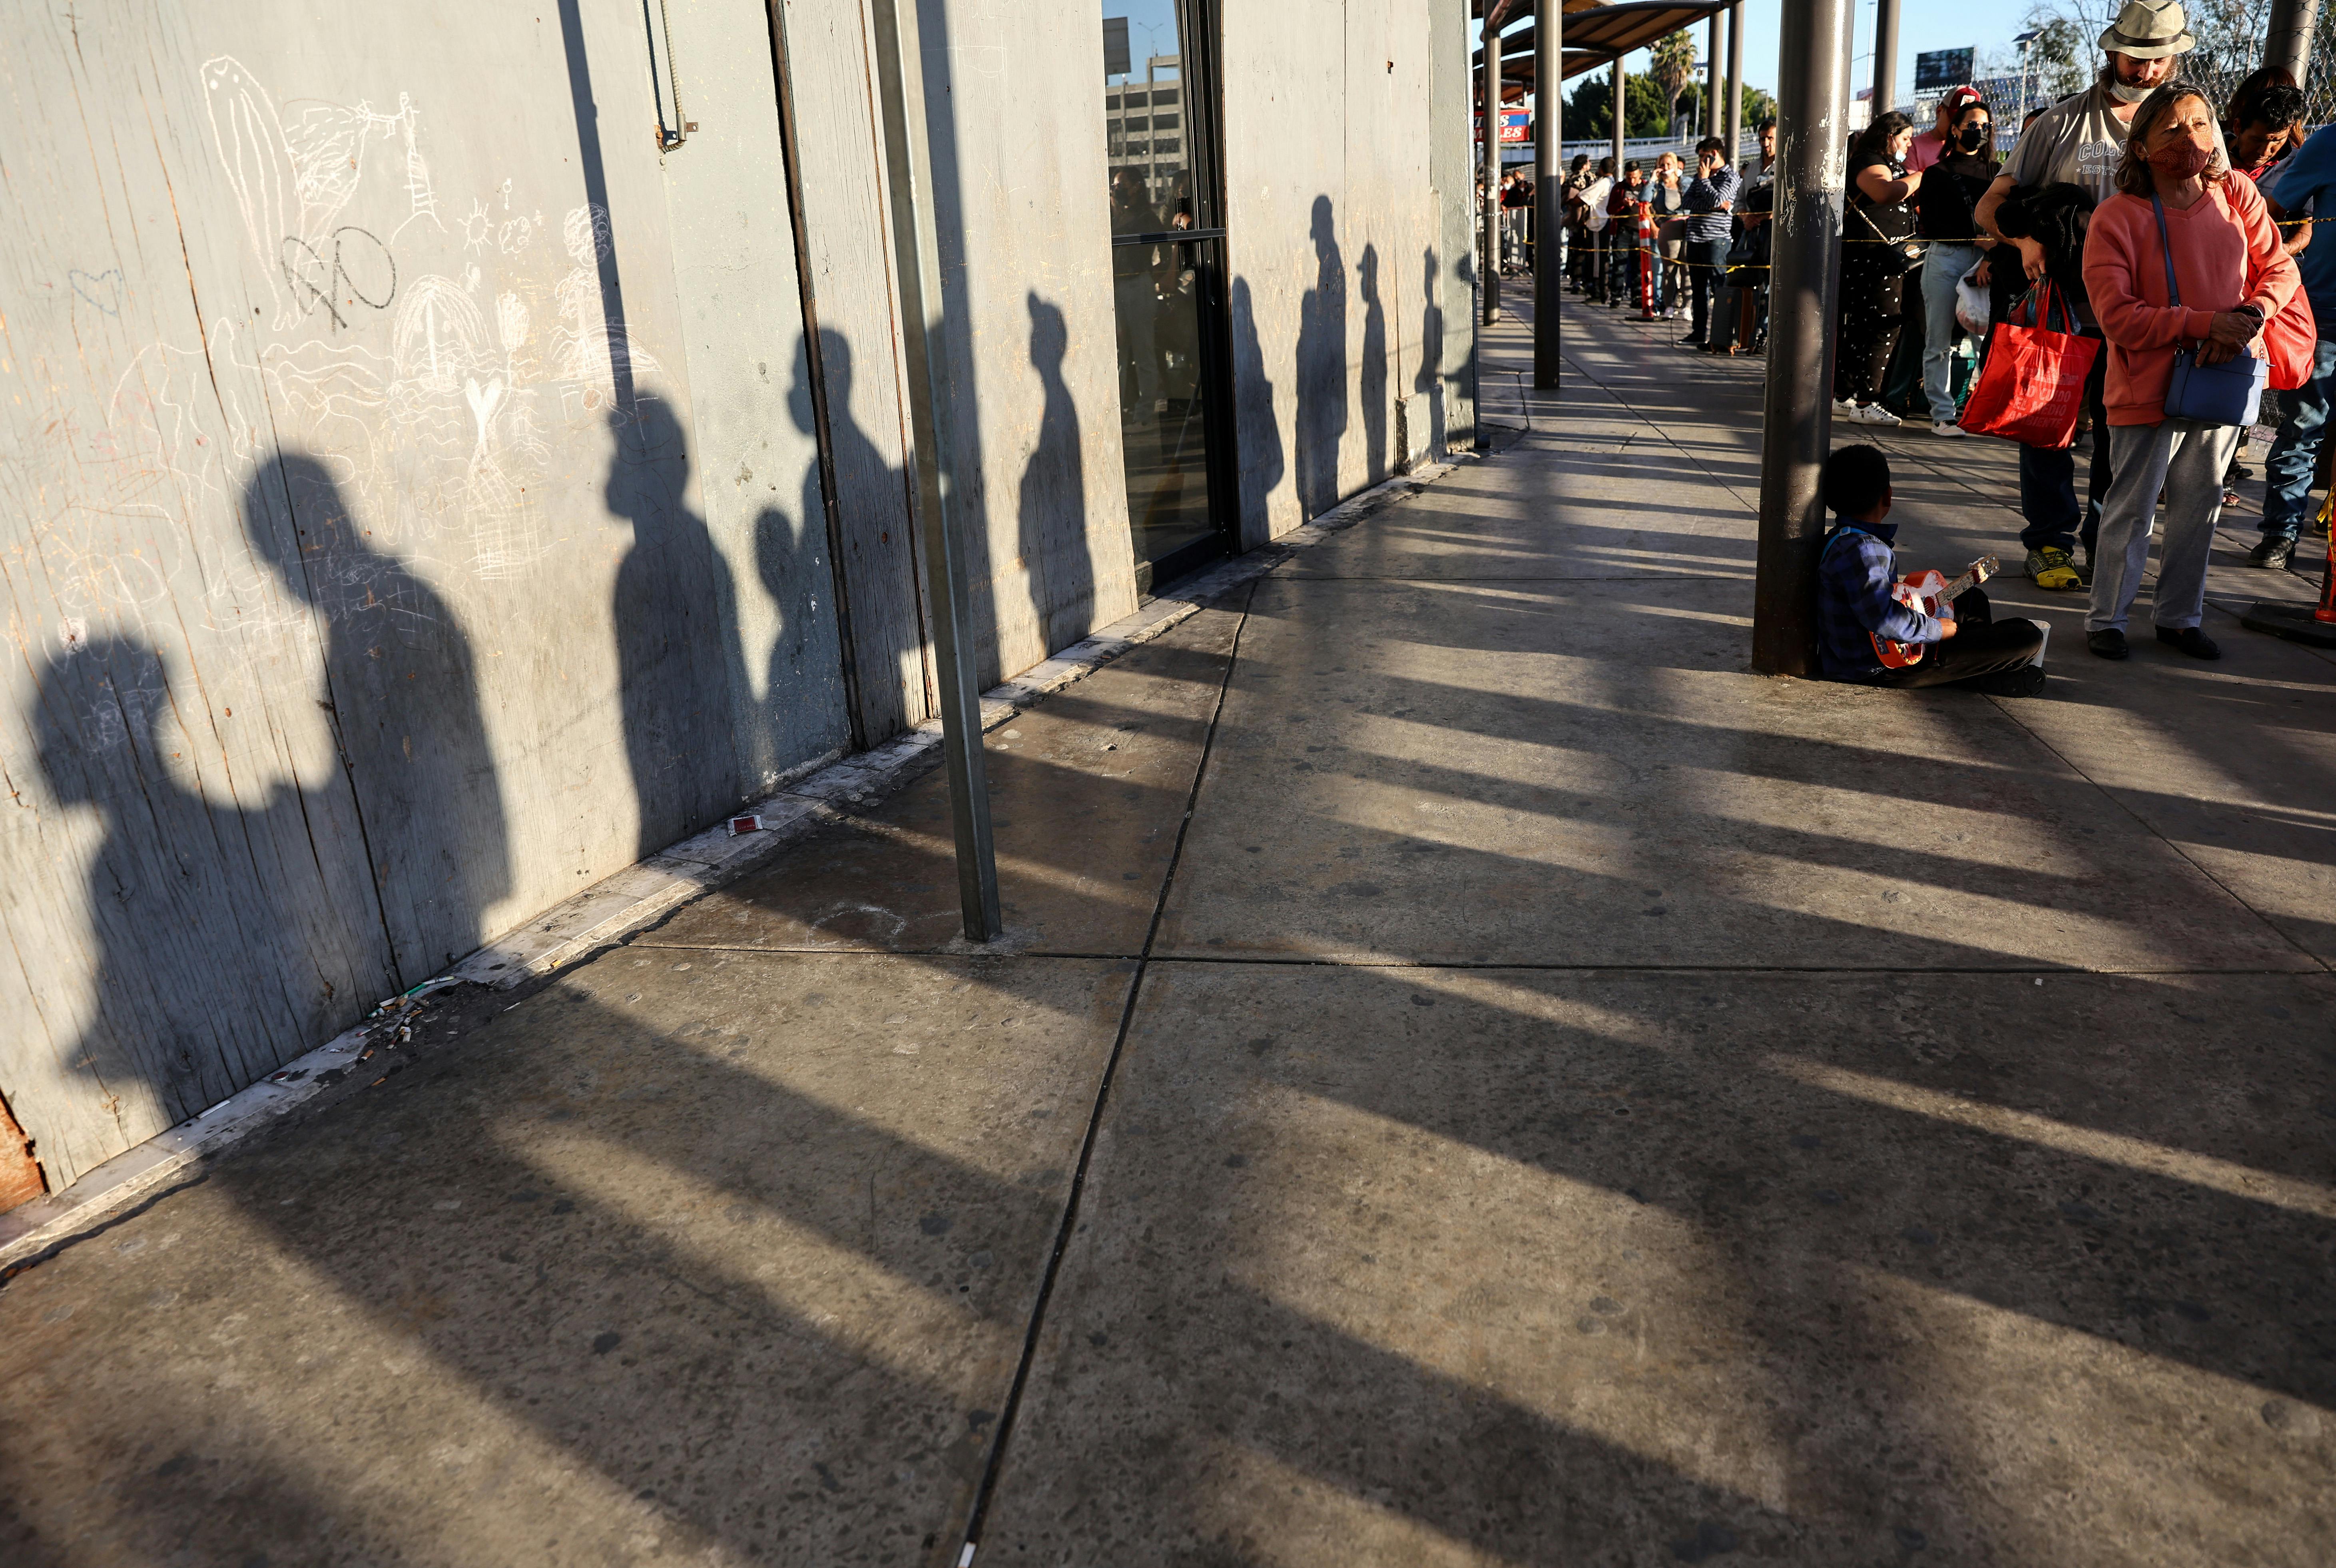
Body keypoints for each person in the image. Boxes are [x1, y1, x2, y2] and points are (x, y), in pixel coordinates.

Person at [1975, 0, 2205, 592]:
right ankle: (2049, 543)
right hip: (2066, 307)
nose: (2150, 70)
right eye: (2139, 57)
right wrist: (2023, 238)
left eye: (2162, 59)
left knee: (2124, 438)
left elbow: (2221, 209)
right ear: (2111, 51)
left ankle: (2108, 548)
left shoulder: (2195, 124)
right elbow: (1988, 204)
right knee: (2045, 424)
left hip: (2150, 312)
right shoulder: (2062, 123)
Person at [2081, 81, 2298, 660]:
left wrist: (2249, 318)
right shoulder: (2116, 216)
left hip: (2222, 381)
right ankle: (2108, 619)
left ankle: (2180, 618)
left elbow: (2280, 271)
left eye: (2200, 125)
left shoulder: (2239, 197)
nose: (2191, 138)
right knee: (2130, 509)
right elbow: (2118, 316)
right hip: (2145, 388)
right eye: (2172, 129)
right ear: (2142, 146)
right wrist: (2206, 325)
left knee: (2199, 508)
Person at [1816, 444, 2050, 694]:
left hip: (1868, 652)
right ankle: (1971, 671)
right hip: (1882, 666)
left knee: (1972, 599)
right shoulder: (1866, 550)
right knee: (2029, 637)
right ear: (1888, 496)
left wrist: (1921, 602)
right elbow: (1884, 619)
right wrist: (1938, 630)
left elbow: (1877, 600)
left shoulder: (1842, 539)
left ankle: (1971, 665)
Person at [2246, 110, 2336, 569]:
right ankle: (2281, 534)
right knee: (2303, 428)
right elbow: (2274, 217)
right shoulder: (2329, 143)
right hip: (2326, 316)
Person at [1913, 95, 2001, 434]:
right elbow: (1933, 225)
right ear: (1954, 130)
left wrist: (1989, 256)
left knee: (1984, 338)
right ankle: (1943, 413)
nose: (1978, 131)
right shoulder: (1936, 173)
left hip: (1985, 264)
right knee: (1938, 339)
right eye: (1971, 125)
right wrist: (1976, 240)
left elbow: (2003, 220)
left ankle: (1984, 410)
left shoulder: (1997, 172)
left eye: (1984, 126)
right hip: (1946, 259)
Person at [1836, 112, 1923, 425]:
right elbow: (1884, 192)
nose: (1909, 144)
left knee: (1862, 327)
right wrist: (1919, 177)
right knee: (1885, 326)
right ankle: (1867, 399)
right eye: (1904, 138)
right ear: (1889, 136)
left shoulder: (1879, 161)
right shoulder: (1870, 161)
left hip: (1879, 257)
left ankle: (1844, 392)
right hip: (1874, 257)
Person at [1707, 121, 1778, 355]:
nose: (1765, 143)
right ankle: (1739, 333)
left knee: (1771, 287)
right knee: (1742, 281)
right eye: (1762, 138)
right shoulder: (1754, 167)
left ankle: (1766, 335)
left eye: (1770, 138)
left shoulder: (1787, 166)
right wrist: (1746, 216)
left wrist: (1768, 216)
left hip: (1774, 237)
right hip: (1751, 237)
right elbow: (1738, 202)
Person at [1678, 135, 1740, 347]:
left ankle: (1721, 335)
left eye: (1704, 157)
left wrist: (1705, 182)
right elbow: (1687, 201)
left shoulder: (1729, 177)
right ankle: (1698, 332)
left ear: (1714, 155)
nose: (1701, 163)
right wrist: (1712, 204)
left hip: (1716, 240)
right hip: (1695, 238)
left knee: (1719, 286)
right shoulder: (1702, 175)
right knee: (1698, 288)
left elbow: (1718, 200)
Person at [1908, 84, 1988, 173]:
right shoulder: (1913, 146)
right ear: (1939, 111)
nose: (1958, 126)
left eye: (1971, 125)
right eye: (1955, 120)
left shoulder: (1978, 151)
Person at [1646, 151, 1688, 319]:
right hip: (1669, 227)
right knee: (1669, 270)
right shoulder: (1657, 187)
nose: (1666, 168)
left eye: (1669, 165)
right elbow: (1644, 201)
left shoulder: (1686, 183)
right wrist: (1652, 180)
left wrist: (1681, 179)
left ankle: (1687, 306)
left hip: (1688, 226)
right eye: (1662, 165)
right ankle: (1668, 305)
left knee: (1687, 269)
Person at [1606, 162, 1646, 308]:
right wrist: (1622, 203)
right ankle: (1616, 296)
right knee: (1619, 267)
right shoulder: (1619, 188)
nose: (1632, 181)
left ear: (1640, 174)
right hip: (1622, 232)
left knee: (1639, 267)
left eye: (1635, 177)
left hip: (1641, 232)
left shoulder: (1646, 187)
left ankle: (1637, 296)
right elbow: (1610, 209)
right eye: (1629, 178)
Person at [1578, 157, 1616, 303]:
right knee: (1603, 259)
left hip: (1598, 224)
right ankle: (1602, 290)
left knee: (1597, 260)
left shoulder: (1603, 183)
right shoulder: (1613, 183)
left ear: (1601, 168)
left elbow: (1583, 198)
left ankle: (1598, 292)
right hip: (1606, 222)